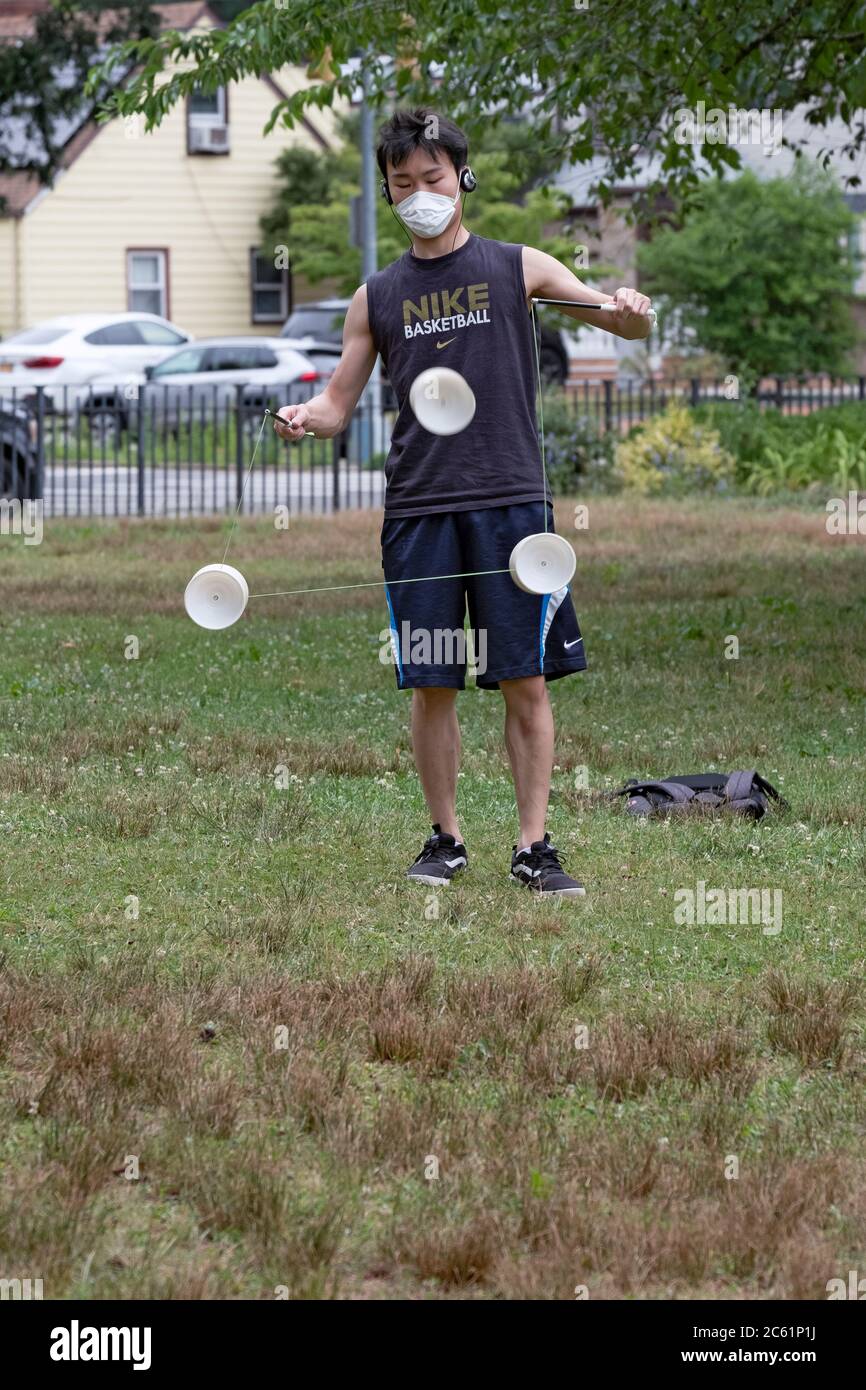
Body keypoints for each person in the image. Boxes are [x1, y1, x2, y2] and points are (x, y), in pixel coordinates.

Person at [274, 107, 653, 897]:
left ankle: (534, 845)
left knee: (527, 680)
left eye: (432, 177)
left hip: (513, 505)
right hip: (419, 510)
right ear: (387, 188)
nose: (419, 193)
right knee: (434, 681)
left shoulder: (519, 267)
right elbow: (339, 405)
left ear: (460, 178)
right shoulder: (374, 296)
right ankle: (445, 839)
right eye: (402, 182)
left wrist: (626, 311)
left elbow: (616, 323)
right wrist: (309, 417)